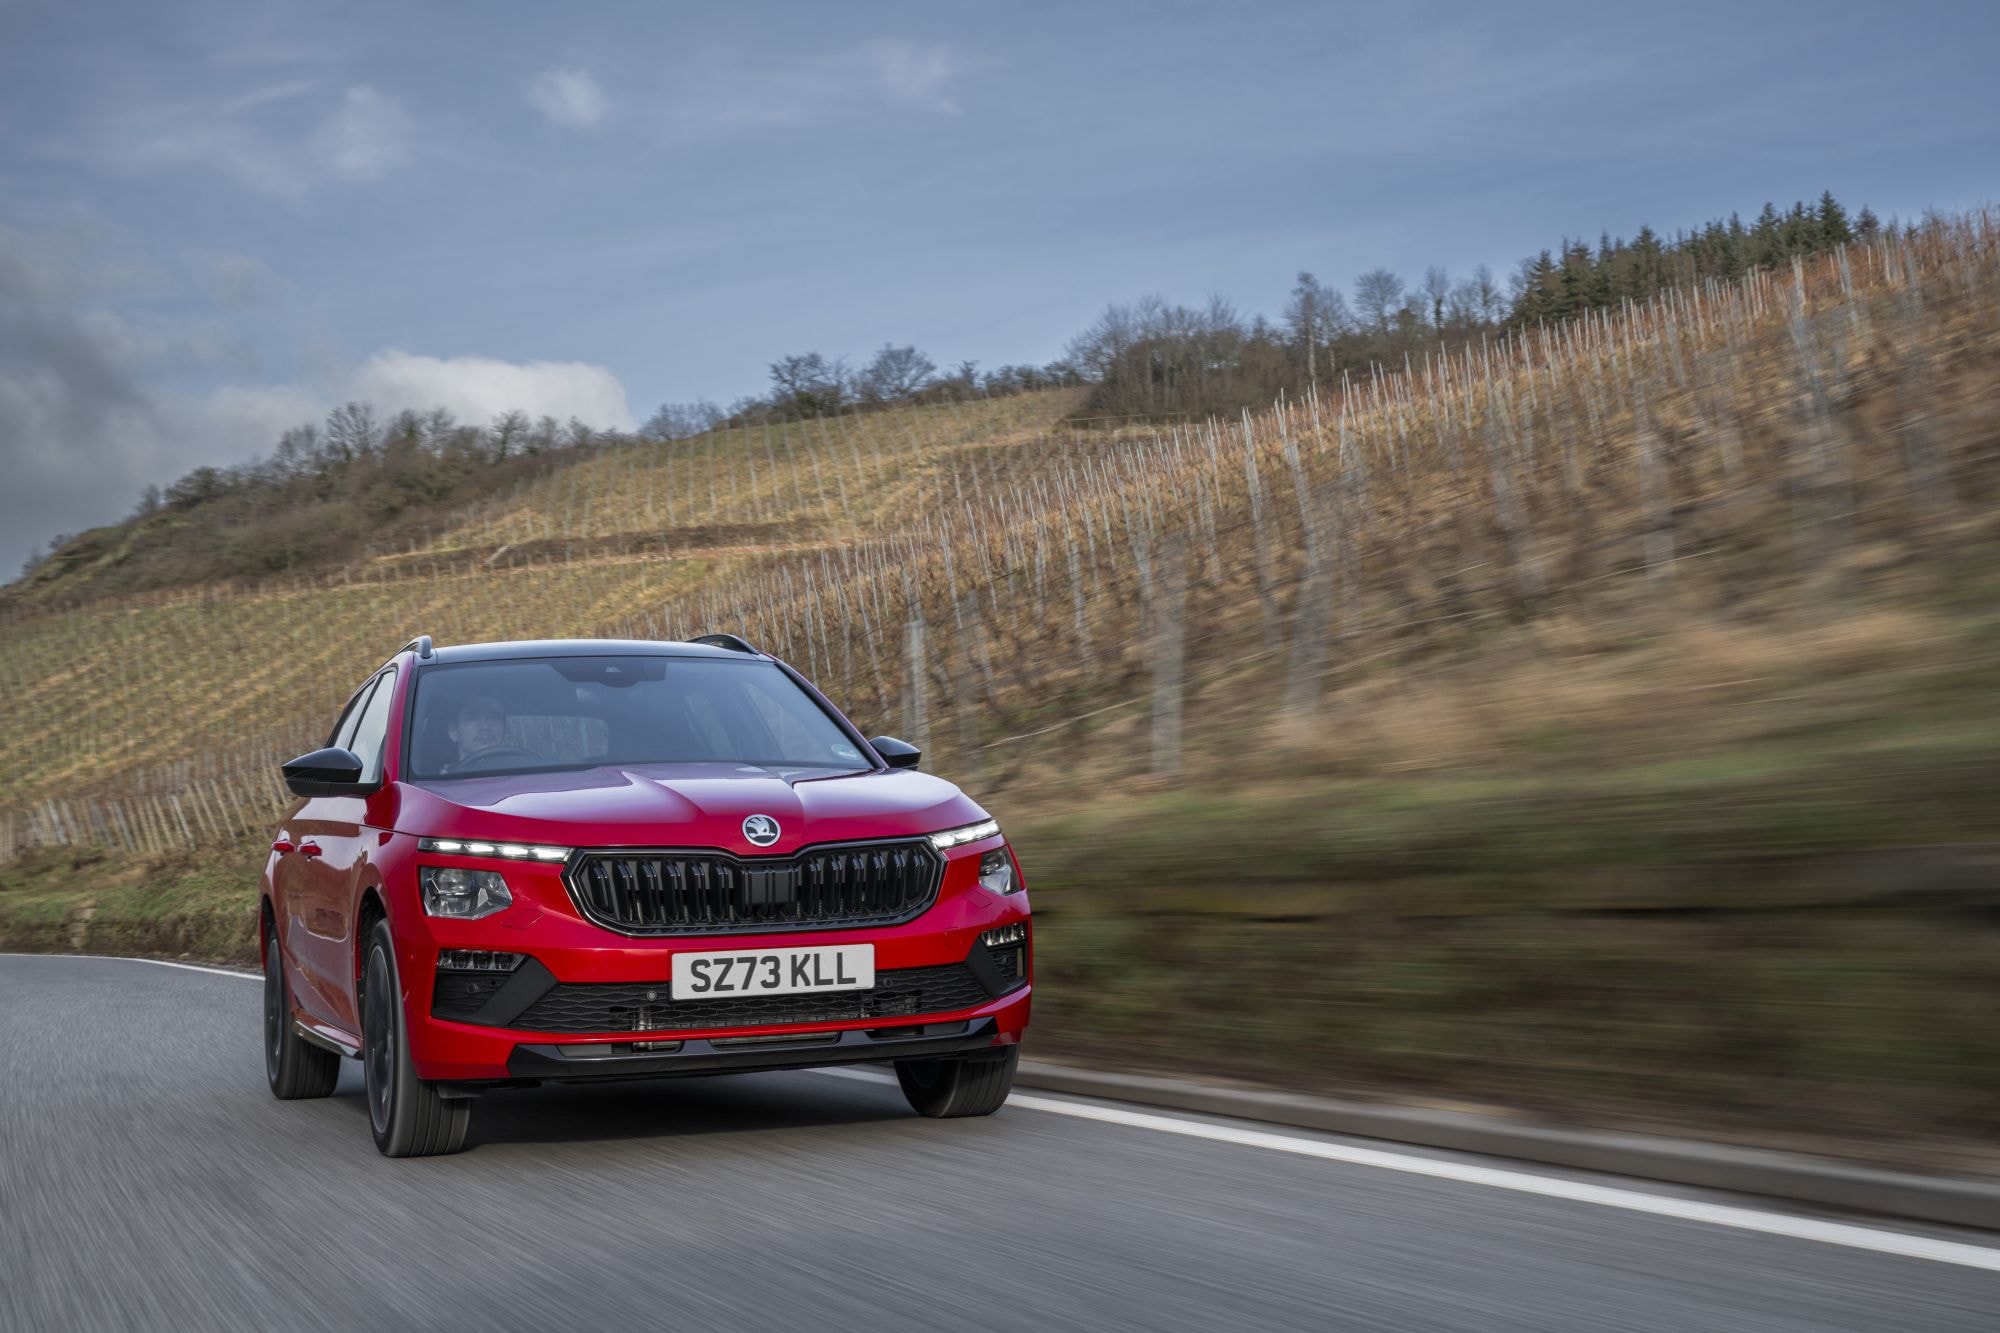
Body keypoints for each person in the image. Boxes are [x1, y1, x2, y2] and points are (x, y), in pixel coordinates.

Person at [445, 696, 511, 770]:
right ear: (453, 731)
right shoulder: (442, 779)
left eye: (494, 718)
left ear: (505, 730)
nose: (485, 727)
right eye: (472, 719)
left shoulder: (521, 771)